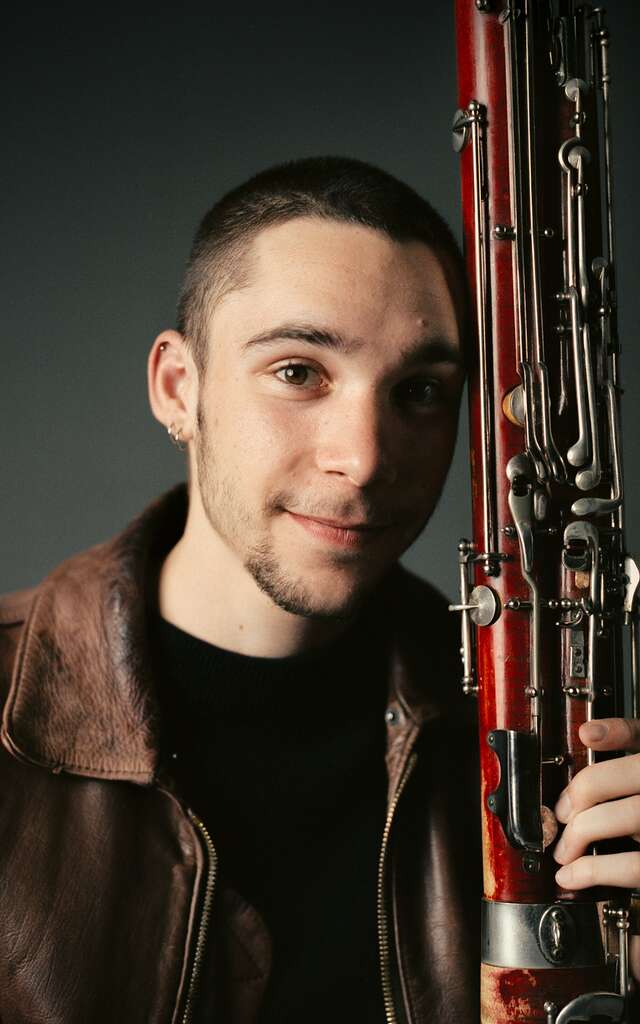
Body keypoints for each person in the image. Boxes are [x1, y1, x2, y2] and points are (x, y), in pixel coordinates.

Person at [0, 156, 638, 1024]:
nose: (367, 457)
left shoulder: (542, 728)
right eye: (299, 372)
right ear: (178, 388)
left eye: (420, 392)